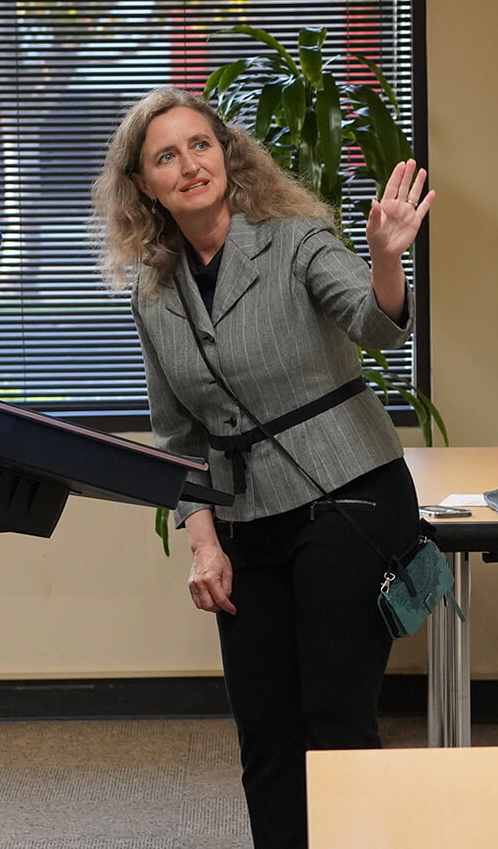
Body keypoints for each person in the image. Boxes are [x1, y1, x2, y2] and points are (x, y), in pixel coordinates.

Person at [91, 87, 435, 849]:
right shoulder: (154, 293)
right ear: (143, 185)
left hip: (349, 496)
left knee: (334, 722)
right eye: (166, 157)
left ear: (227, 153)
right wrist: (203, 545)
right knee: (266, 736)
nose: (189, 164)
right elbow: (178, 435)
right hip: (245, 519)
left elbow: (376, 324)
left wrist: (385, 258)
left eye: (200, 145)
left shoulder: (296, 238)